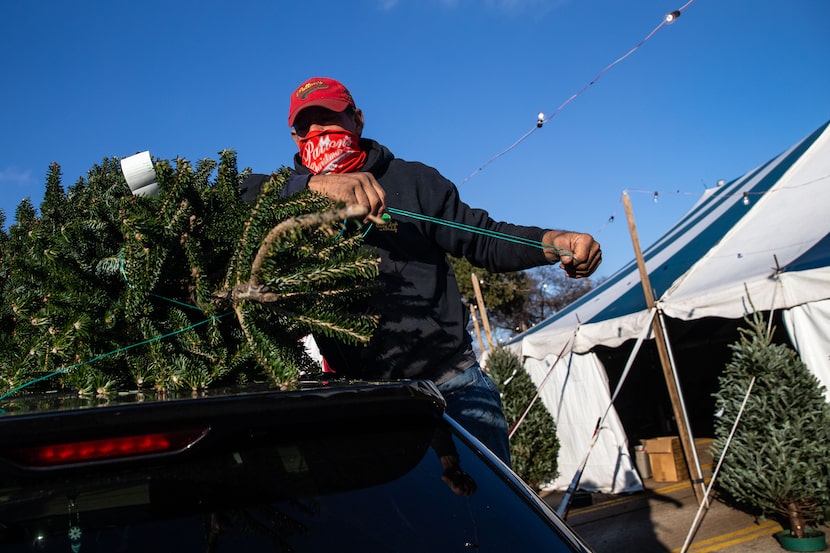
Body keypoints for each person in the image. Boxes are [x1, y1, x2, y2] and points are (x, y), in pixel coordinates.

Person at [244, 77, 602, 465]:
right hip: (365, 404)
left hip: (454, 387)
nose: (316, 132)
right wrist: (313, 187)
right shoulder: (280, 199)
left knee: (484, 513)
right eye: (305, 125)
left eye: (328, 118)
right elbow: (224, 191)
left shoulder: (413, 180)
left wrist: (552, 241)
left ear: (357, 120)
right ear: (294, 137)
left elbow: (481, 238)